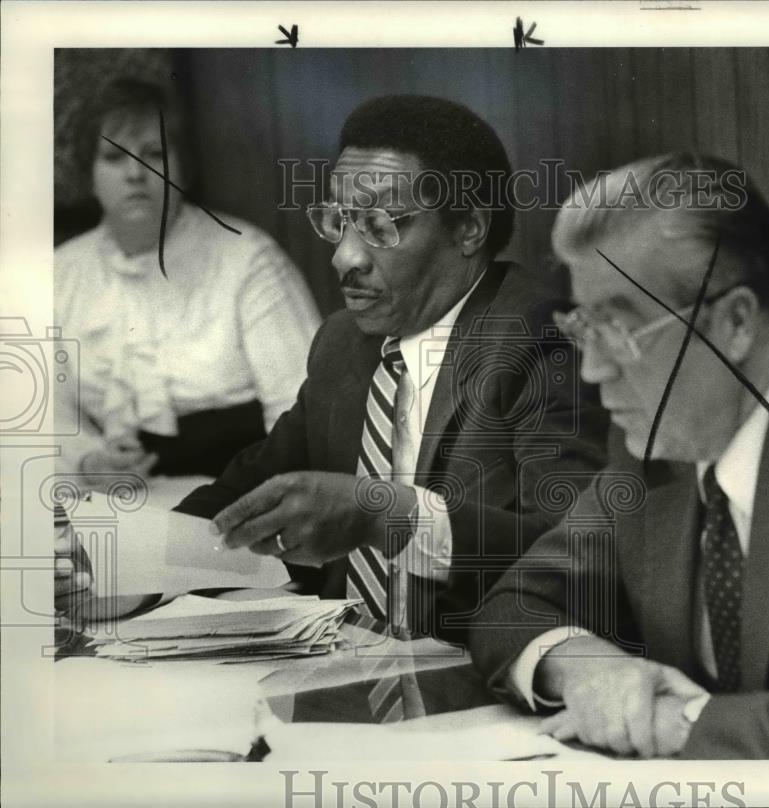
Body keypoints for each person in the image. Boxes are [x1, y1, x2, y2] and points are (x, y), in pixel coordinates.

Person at [56, 95, 609, 641]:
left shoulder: (542, 337)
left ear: (467, 228)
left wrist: (386, 517)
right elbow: (250, 488)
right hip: (346, 665)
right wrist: (131, 570)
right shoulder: (344, 341)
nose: (345, 256)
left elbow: (578, 549)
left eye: (380, 225)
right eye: (336, 222)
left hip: (475, 680)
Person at [467, 152, 769, 758]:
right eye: (582, 330)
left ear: (735, 322)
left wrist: (679, 721)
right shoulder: (658, 437)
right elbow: (514, 604)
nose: (592, 371)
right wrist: (588, 670)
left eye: (618, 331)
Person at [55, 78, 320, 486]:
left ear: (183, 167)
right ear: (87, 174)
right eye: (113, 157)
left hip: (238, 494)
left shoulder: (248, 259)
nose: (135, 174)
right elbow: (34, 407)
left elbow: (302, 409)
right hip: (107, 496)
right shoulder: (60, 273)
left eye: (154, 154)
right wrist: (88, 461)